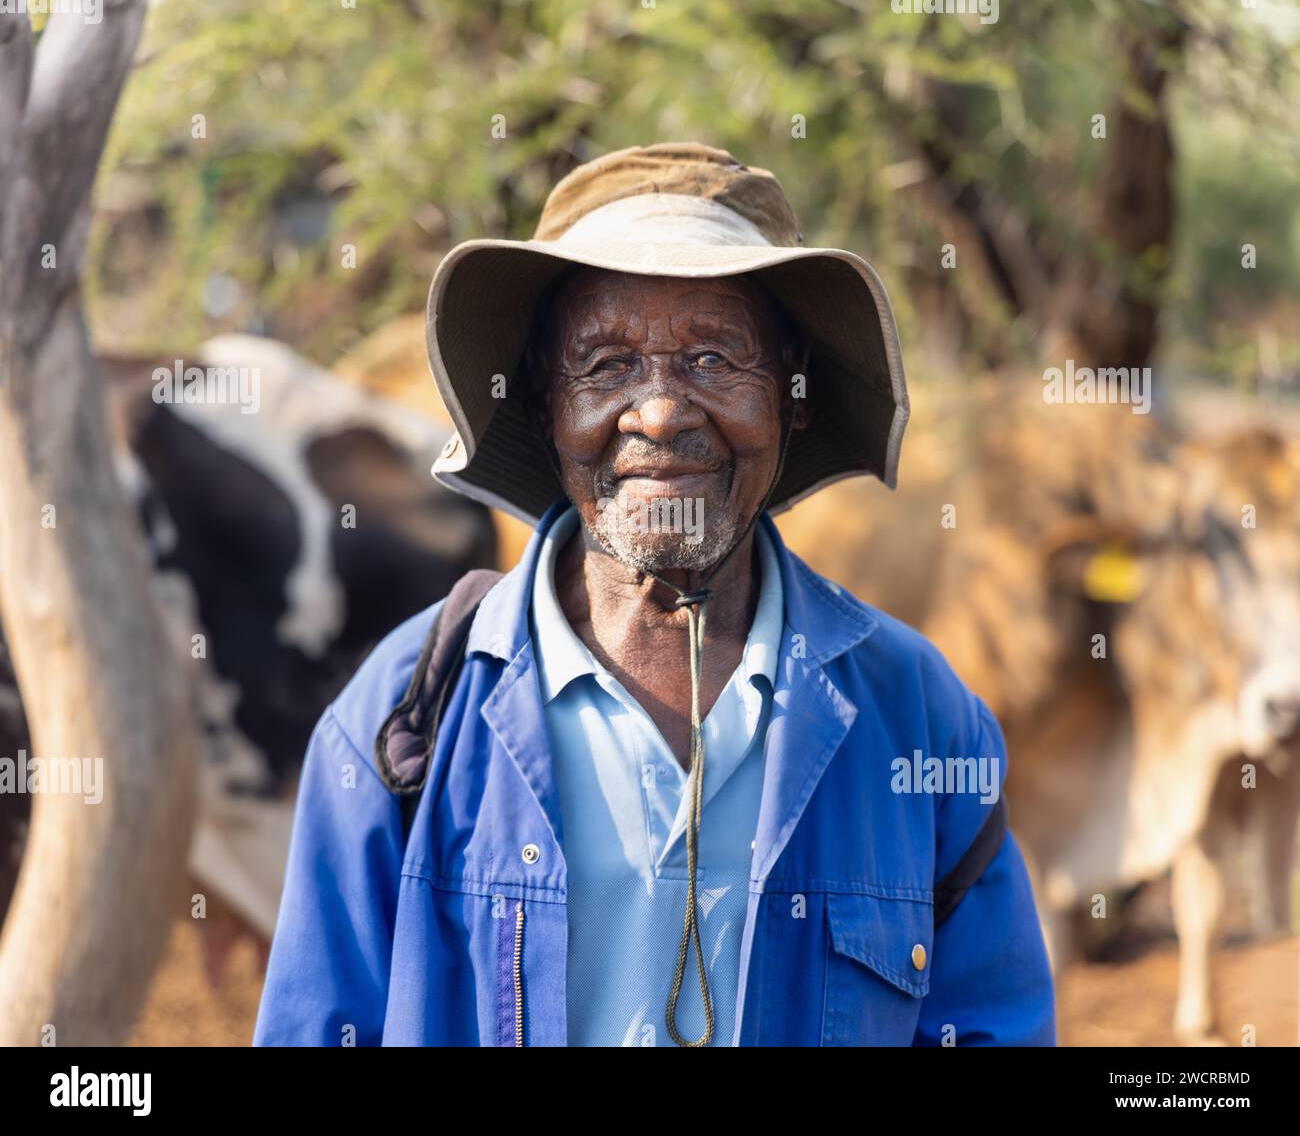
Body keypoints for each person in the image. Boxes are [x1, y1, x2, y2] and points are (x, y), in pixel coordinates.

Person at [254, 142, 1055, 1047]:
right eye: (605, 365)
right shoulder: (399, 726)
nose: (663, 411)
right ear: (543, 404)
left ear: (791, 396)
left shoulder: (920, 720)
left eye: (715, 357)